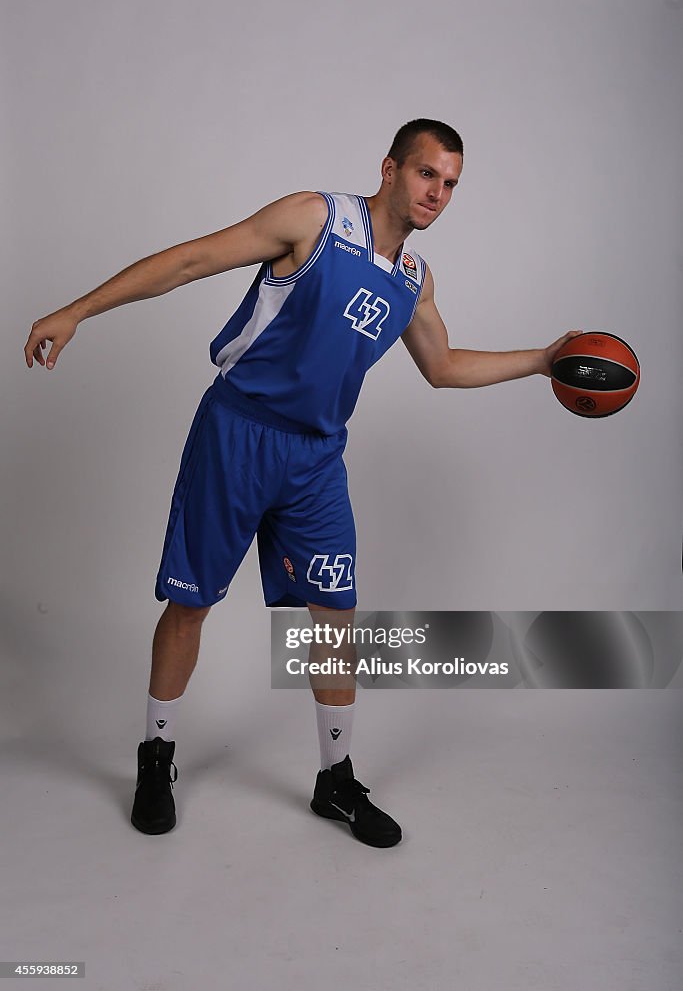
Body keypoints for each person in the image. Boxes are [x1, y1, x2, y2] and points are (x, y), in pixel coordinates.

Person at [24, 118, 579, 848]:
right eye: (426, 175)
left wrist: (541, 360)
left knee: (334, 613)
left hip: (315, 457)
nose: (437, 194)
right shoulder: (314, 219)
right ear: (389, 169)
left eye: (449, 184)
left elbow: (443, 368)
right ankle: (156, 757)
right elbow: (192, 260)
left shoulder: (413, 280)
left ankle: (335, 781)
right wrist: (77, 310)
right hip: (237, 433)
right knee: (191, 606)